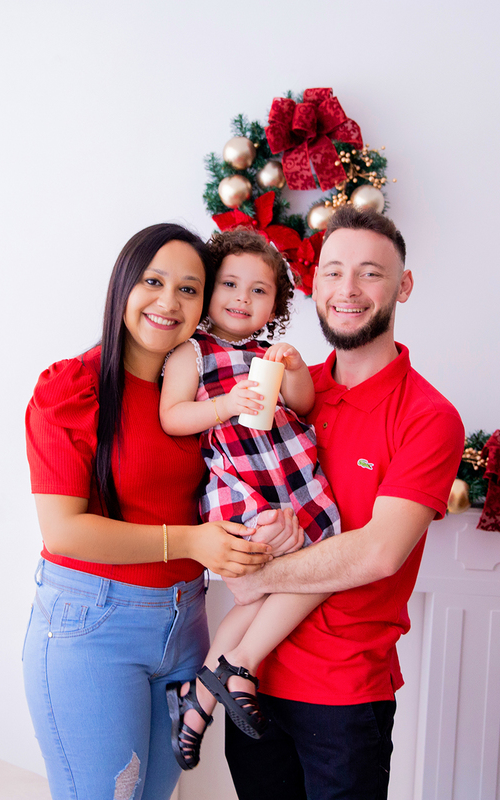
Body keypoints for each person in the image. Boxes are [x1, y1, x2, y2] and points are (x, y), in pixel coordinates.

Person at [21, 223, 289, 800]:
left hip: (186, 629)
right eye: (153, 281)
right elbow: (62, 531)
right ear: (123, 286)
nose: (169, 302)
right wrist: (192, 542)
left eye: (190, 289)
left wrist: (276, 522)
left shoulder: (207, 391)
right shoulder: (73, 387)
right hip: (93, 627)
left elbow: (247, 479)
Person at [222, 207, 466, 800]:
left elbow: (379, 553)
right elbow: (227, 473)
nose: (347, 290)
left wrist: (259, 577)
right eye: (332, 272)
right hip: (249, 683)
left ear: (403, 286)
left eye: (369, 274)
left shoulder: (429, 417)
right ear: (313, 285)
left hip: (342, 699)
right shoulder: (285, 391)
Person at [156, 228, 341, 770]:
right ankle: (239, 666)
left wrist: (298, 372)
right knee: (287, 579)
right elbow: (172, 417)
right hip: (240, 485)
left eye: (260, 291)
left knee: (311, 569)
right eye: (231, 284)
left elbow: (302, 407)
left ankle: (198, 701)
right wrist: (225, 404)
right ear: (210, 291)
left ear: (276, 306)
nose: (243, 298)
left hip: (293, 477)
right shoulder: (192, 352)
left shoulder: (271, 354)